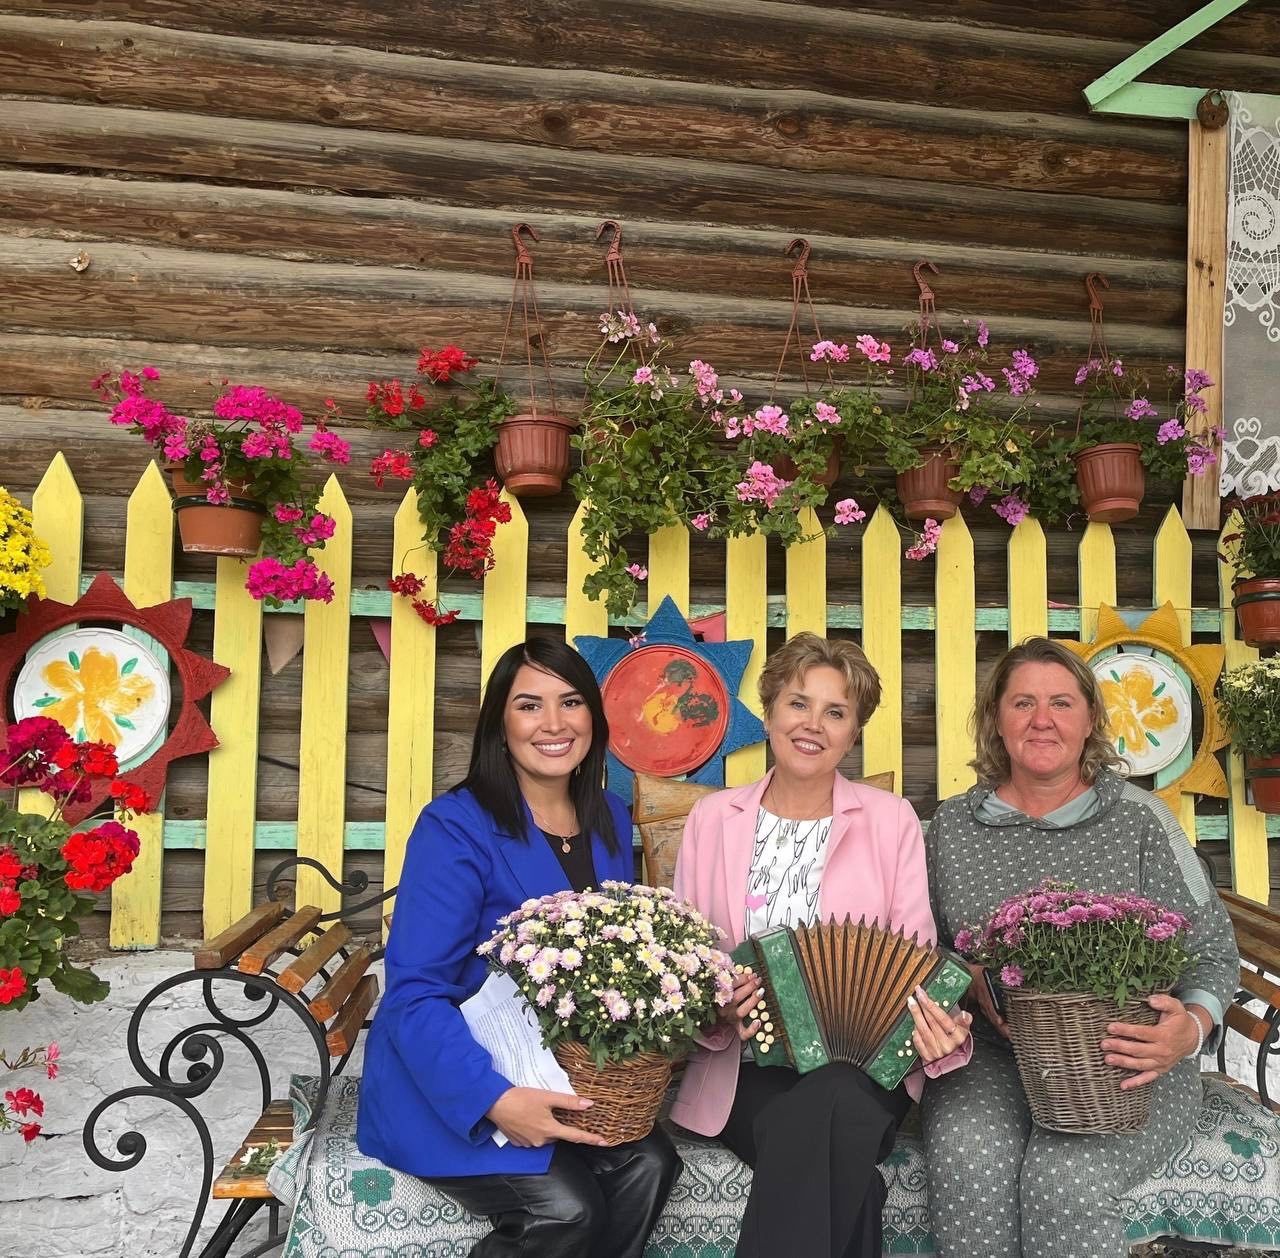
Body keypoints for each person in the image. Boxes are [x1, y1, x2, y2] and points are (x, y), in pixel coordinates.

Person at [356, 637, 680, 1258]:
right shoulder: (455, 827)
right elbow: (415, 994)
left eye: (571, 703)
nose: (554, 724)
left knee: (651, 1165)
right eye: (530, 706)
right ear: (500, 725)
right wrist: (495, 1101)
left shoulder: (609, 818)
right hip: (457, 1079)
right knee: (567, 1212)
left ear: (594, 719)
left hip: (555, 1067)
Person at [922, 636, 1240, 1258]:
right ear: (995, 719)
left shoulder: (1142, 821)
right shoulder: (951, 829)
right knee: (968, 1158)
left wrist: (1189, 1030)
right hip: (990, 1057)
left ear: (1090, 718)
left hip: (1127, 1062)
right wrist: (963, 975)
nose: (1042, 720)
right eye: (1022, 703)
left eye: (1061, 703)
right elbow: (917, 947)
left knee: (1064, 1177)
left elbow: (1213, 952)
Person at [670, 632, 972, 1258]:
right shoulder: (712, 819)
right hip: (743, 1070)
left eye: (836, 712)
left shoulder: (891, 821)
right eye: (798, 704)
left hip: (865, 1072)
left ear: (854, 731)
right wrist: (717, 1009)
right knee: (847, 1177)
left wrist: (944, 1038)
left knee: (835, 1092)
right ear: (770, 711)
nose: (813, 725)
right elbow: (688, 962)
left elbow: (912, 965)